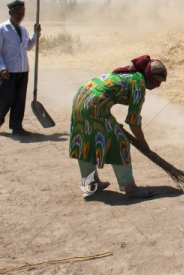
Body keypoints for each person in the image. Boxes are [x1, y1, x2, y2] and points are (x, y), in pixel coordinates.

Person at [69, 55, 167, 199]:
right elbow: (133, 120)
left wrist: (110, 123)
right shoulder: (138, 84)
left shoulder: (128, 73)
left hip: (81, 99)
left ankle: (92, 183)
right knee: (120, 143)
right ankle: (130, 188)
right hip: (95, 107)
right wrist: (142, 142)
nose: (158, 85)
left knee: (86, 141)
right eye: (158, 81)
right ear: (150, 76)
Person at [0, 0, 41, 136]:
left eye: (22, 13)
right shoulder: (2, 29)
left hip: (23, 70)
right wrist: (1, 68)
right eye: (17, 13)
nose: (20, 15)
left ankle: (16, 127)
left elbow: (29, 47)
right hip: (8, 71)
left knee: (20, 100)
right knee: (6, 99)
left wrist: (36, 34)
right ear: (10, 13)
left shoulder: (23, 30)